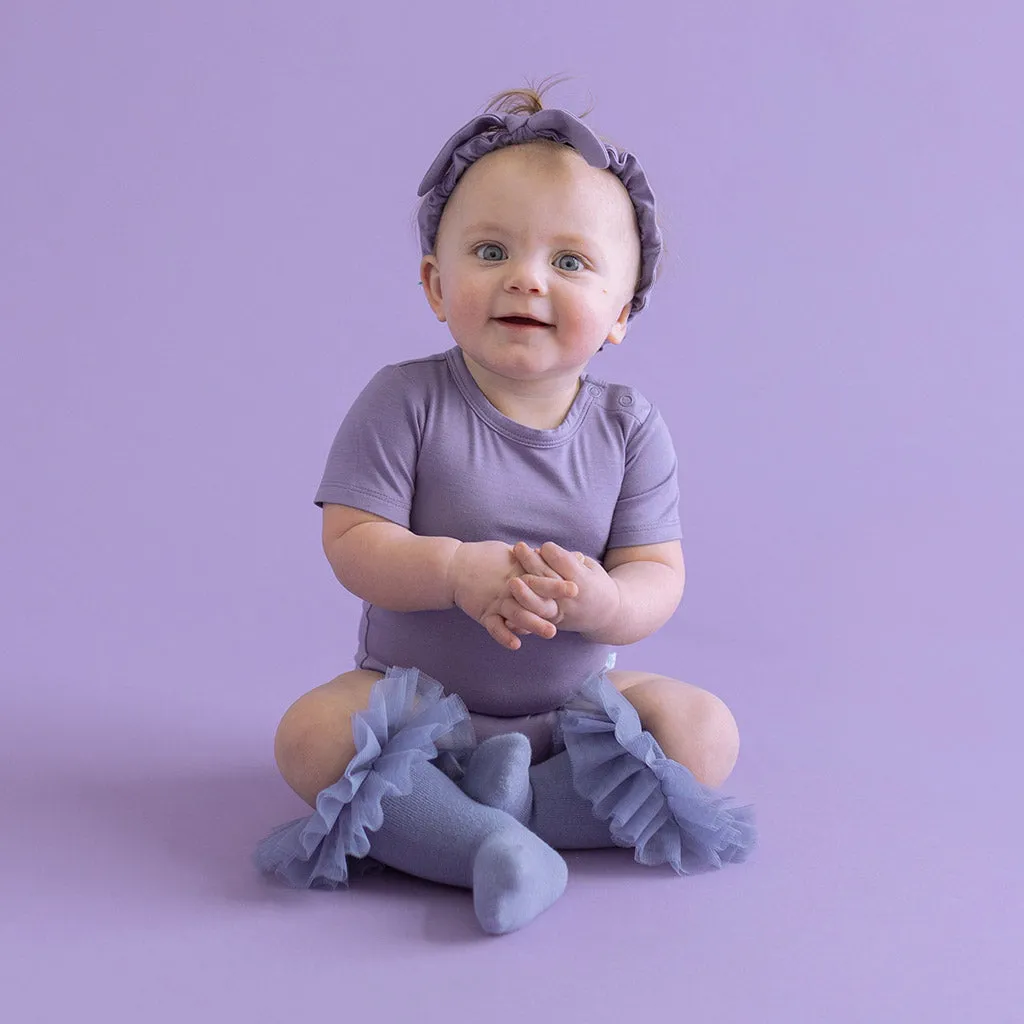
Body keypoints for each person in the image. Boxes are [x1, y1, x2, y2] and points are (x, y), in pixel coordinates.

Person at [254, 80, 756, 936]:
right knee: (309, 737)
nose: (526, 278)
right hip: (413, 707)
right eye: (490, 251)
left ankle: (501, 819)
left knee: (705, 734)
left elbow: (658, 573)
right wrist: (454, 571)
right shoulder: (405, 400)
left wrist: (606, 602)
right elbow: (350, 540)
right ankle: (494, 843)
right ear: (433, 283)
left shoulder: (630, 426)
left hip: (572, 716)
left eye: (569, 261)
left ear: (622, 314)